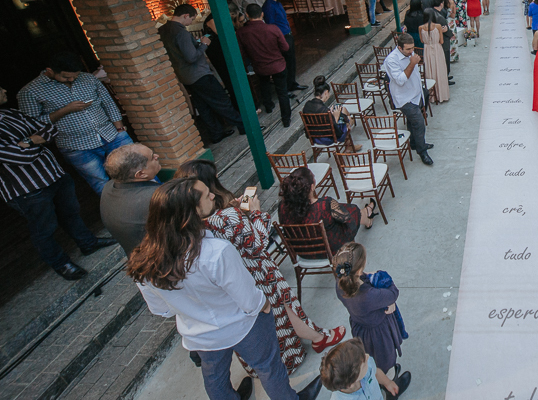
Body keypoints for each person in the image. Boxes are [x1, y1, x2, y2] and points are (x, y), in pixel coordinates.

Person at [128, 179, 324, 400]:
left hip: (200, 336)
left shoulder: (143, 261)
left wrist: (192, 309)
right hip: (243, 326)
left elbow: (161, 310)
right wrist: (266, 305)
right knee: (269, 368)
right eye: (206, 195)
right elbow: (249, 300)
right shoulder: (216, 252)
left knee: (215, 380)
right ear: (191, 212)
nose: (212, 195)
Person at [178, 161, 348, 373]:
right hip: (257, 270)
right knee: (284, 308)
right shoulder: (225, 217)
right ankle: (318, 339)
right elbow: (256, 244)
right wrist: (256, 213)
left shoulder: (191, 225)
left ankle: (284, 358)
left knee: (266, 322)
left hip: (233, 281)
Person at [1, 85, 115, 280]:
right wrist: (35, 141)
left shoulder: (11, 113)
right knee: (43, 229)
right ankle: (61, 264)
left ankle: (88, 243)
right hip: (27, 188)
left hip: (54, 174)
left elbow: (49, 129)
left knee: (70, 213)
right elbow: (21, 157)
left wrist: (28, 142)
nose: (4, 89)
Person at [19, 51, 132, 195]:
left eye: (76, 75)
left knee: (136, 170)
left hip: (111, 134)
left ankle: (154, 204)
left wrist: (120, 129)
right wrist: (65, 110)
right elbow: (32, 124)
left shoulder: (88, 78)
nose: (72, 79)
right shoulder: (30, 91)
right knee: (101, 182)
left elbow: (108, 103)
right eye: (66, 77)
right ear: (50, 71)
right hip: (76, 146)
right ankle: (117, 208)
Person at [159, 4, 244, 144]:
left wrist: (196, 43)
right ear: (185, 15)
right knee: (222, 101)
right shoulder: (181, 33)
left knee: (203, 107)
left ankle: (216, 133)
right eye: (191, 19)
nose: (190, 22)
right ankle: (244, 126)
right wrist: (204, 44)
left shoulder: (163, 30)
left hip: (184, 75)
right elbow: (191, 57)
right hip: (199, 74)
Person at [334, 243, 407, 383]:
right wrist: (380, 276)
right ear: (359, 270)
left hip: (360, 329)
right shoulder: (369, 296)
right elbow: (393, 293)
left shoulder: (340, 284)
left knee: (373, 359)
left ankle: (383, 377)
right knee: (386, 360)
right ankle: (390, 382)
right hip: (379, 334)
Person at [279, 165, 373, 254]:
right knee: (353, 211)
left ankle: (367, 212)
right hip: (328, 250)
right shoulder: (324, 205)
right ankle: (367, 216)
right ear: (312, 187)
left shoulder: (282, 206)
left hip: (302, 251)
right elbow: (348, 220)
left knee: (341, 212)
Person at [381, 34, 433, 166]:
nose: (411, 51)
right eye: (408, 49)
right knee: (419, 123)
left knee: (414, 119)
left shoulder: (410, 52)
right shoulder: (391, 60)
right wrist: (412, 63)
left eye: (412, 48)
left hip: (416, 92)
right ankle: (422, 151)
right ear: (399, 48)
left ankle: (414, 143)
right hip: (404, 98)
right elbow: (400, 80)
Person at [237, 4, 291, 128]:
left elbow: (241, 53)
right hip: (277, 64)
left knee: (264, 86)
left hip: (259, 65)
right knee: (282, 92)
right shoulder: (273, 29)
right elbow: (285, 47)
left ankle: (268, 106)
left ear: (247, 15)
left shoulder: (241, 32)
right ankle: (286, 119)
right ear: (262, 14)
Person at [102, 143, 161, 255]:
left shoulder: (109, 186)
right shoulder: (155, 197)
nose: (157, 156)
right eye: (152, 157)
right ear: (141, 174)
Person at [321, 338, 409, 399]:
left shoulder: (366, 363)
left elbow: (376, 372)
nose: (367, 356)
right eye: (363, 365)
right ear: (351, 383)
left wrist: (388, 382)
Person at [263, 0, 307, 91]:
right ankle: (287, 87)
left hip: (287, 33)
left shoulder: (278, 3)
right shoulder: (268, 6)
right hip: (281, 36)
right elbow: (271, 25)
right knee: (286, 62)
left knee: (291, 60)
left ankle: (292, 83)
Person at [203, 3, 246, 110]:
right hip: (217, 52)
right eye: (231, 15)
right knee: (229, 77)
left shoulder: (221, 18)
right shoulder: (212, 19)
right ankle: (238, 106)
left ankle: (243, 103)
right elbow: (223, 35)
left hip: (224, 50)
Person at [303, 77, 354, 147]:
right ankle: (349, 145)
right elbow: (334, 130)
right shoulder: (324, 110)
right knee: (349, 119)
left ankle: (349, 145)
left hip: (314, 137)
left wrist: (331, 114)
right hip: (327, 138)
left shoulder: (307, 105)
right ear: (326, 92)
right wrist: (336, 117)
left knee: (343, 111)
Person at [419, 8, 450, 102]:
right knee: (440, 69)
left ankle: (432, 96)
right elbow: (441, 41)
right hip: (437, 49)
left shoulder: (421, 28)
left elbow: (422, 41)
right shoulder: (438, 26)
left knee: (430, 70)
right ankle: (442, 95)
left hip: (427, 50)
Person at [428, 0, 455, 83]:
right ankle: (445, 77)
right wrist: (451, 34)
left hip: (438, 40)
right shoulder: (439, 17)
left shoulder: (432, 13)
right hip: (443, 41)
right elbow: (445, 29)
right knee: (445, 60)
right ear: (441, 4)